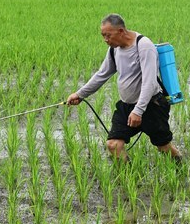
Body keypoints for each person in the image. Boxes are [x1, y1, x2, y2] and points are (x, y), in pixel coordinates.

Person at [67, 14, 182, 163]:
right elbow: (102, 74)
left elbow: (150, 82)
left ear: (121, 31)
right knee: (113, 145)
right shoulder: (114, 49)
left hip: (151, 106)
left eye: (108, 35)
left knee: (163, 147)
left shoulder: (143, 46)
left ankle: (180, 167)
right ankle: (128, 175)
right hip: (126, 106)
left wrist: (138, 111)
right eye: (103, 36)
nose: (105, 40)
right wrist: (80, 94)